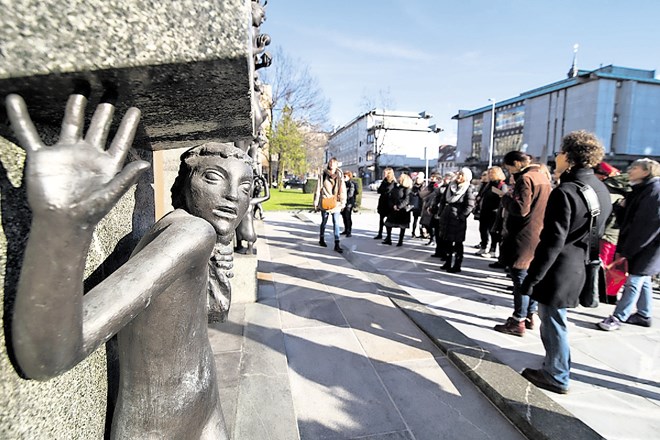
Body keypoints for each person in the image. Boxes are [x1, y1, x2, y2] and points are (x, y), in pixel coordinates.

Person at [7, 94, 250, 439]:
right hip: (162, 425)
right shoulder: (189, 234)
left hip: (203, 404)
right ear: (185, 184)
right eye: (214, 178)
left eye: (245, 187)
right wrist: (61, 229)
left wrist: (222, 251)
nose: (232, 196)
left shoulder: (193, 234)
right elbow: (48, 354)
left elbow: (210, 311)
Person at [518, 131, 611, 394]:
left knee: (554, 321)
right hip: (580, 264)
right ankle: (557, 365)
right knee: (557, 320)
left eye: (560, 152)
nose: (557, 157)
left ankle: (557, 374)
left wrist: (533, 278)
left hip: (558, 268)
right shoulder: (600, 187)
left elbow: (552, 242)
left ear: (569, 157)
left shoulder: (565, 192)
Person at [494, 151, 551, 336]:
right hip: (539, 232)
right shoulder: (542, 177)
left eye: (509, 167)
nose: (508, 171)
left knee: (520, 278)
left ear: (517, 163)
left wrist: (505, 198)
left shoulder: (525, 178)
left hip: (523, 235)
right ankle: (529, 315)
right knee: (531, 277)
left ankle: (518, 320)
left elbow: (521, 209)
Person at [598, 158, 660, 330]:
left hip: (648, 245)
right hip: (641, 243)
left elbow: (646, 225)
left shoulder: (654, 190)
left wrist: (629, 250)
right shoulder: (640, 188)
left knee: (634, 280)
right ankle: (644, 314)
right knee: (643, 278)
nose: (630, 170)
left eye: (635, 167)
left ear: (646, 171)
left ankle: (618, 317)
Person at [593, 162, 630, 304]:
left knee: (602, 264)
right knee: (612, 265)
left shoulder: (607, 189)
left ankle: (600, 293)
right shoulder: (624, 187)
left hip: (607, 233)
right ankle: (609, 293)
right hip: (617, 233)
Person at [435, 168, 475, 272]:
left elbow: (469, 205)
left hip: (457, 220)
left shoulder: (468, 188)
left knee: (457, 243)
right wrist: (440, 212)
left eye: (462, 175)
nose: (459, 176)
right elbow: (443, 200)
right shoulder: (450, 186)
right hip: (447, 217)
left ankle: (457, 265)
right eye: (459, 174)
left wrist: (461, 217)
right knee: (446, 241)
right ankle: (447, 262)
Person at [313, 157, 347, 253]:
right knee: (324, 221)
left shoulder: (340, 175)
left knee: (336, 223)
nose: (331, 164)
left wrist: (343, 202)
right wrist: (316, 202)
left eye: (334, 163)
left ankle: (337, 243)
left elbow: (343, 189)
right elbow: (318, 189)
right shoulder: (323, 175)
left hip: (336, 202)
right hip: (326, 201)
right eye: (330, 163)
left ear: (337, 165)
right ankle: (322, 238)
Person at [476, 167, 508, 258]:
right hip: (484, 210)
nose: (489, 175)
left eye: (491, 173)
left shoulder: (501, 185)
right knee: (483, 229)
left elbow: (503, 196)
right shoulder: (488, 184)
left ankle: (493, 249)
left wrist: (495, 190)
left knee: (493, 231)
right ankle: (483, 246)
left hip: (494, 212)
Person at [383, 173, 413, 246]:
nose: (398, 178)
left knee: (402, 226)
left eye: (400, 177)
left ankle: (400, 241)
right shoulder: (396, 187)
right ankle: (388, 239)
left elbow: (406, 200)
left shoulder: (407, 189)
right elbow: (391, 197)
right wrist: (392, 205)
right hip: (394, 209)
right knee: (388, 224)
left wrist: (399, 206)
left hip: (402, 210)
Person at [374, 167, 396, 239]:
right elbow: (379, 190)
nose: (384, 174)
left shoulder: (393, 182)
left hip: (389, 203)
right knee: (381, 219)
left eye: (385, 173)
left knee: (388, 221)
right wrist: (383, 190)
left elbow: (388, 190)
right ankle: (380, 233)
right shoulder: (384, 181)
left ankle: (388, 236)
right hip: (382, 202)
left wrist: (383, 190)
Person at [419, 171, 440, 242]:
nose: (431, 178)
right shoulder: (430, 185)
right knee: (426, 223)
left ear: (437, 178)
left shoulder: (437, 186)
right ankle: (430, 237)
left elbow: (433, 196)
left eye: (433, 177)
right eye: (431, 177)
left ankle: (432, 238)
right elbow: (423, 194)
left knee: (430, 224)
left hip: (431, 206)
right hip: (426, 205)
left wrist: (428, 202)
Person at [340, 170, 357, 237]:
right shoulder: (342, 183)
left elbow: (350, 194)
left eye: (345, 176)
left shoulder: (351, 184)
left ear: (349, 177)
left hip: (349, 203)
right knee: (344, 216)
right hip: (343, 202)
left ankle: (349, 231)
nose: (343, 178)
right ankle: (345, 229)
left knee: (348, 217)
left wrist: (344, 198)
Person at [409, 172, 425, 237]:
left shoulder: (424, 186)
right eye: (417, 178)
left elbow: (423, 194)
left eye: (419, 178)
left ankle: (422, 233)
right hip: (415, 205)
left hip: (422, 205)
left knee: (422, 221)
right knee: (415, 220)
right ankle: (413, 232)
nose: (418, 179)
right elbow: (411, 193)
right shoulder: (413, 186)